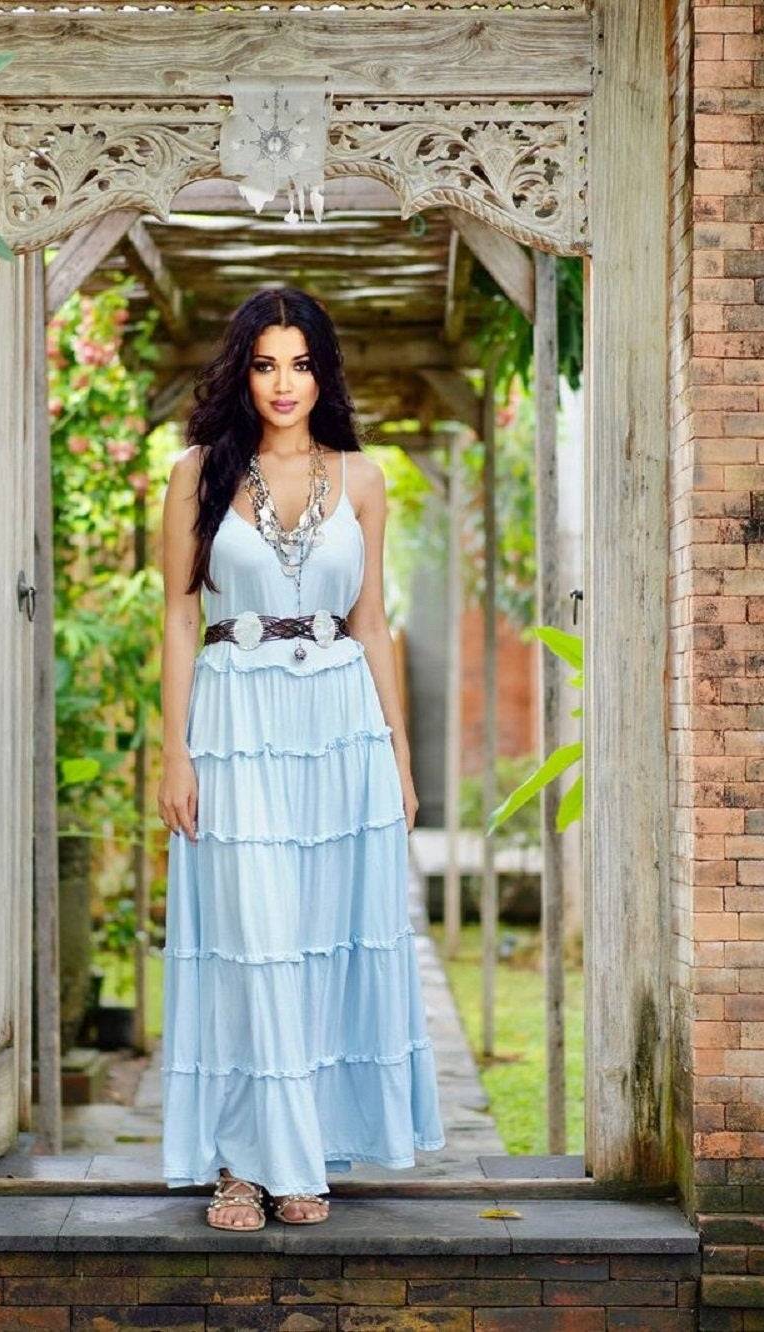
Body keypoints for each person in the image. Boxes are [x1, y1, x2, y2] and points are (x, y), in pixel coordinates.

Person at [155, 286, 445, 1231]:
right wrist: (175, 753)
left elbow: (374, 623)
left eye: (302, 363)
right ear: (243, 372)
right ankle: (240, 1164)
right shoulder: (195, 472)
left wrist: (399, 759)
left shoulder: (361, 478)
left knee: (320, 934)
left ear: (325, 373)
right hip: (235, 722)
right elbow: (175, 617)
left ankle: (301, 1157)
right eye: (267, 363)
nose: (285, 383)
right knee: (251, 939)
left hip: (338, 725)